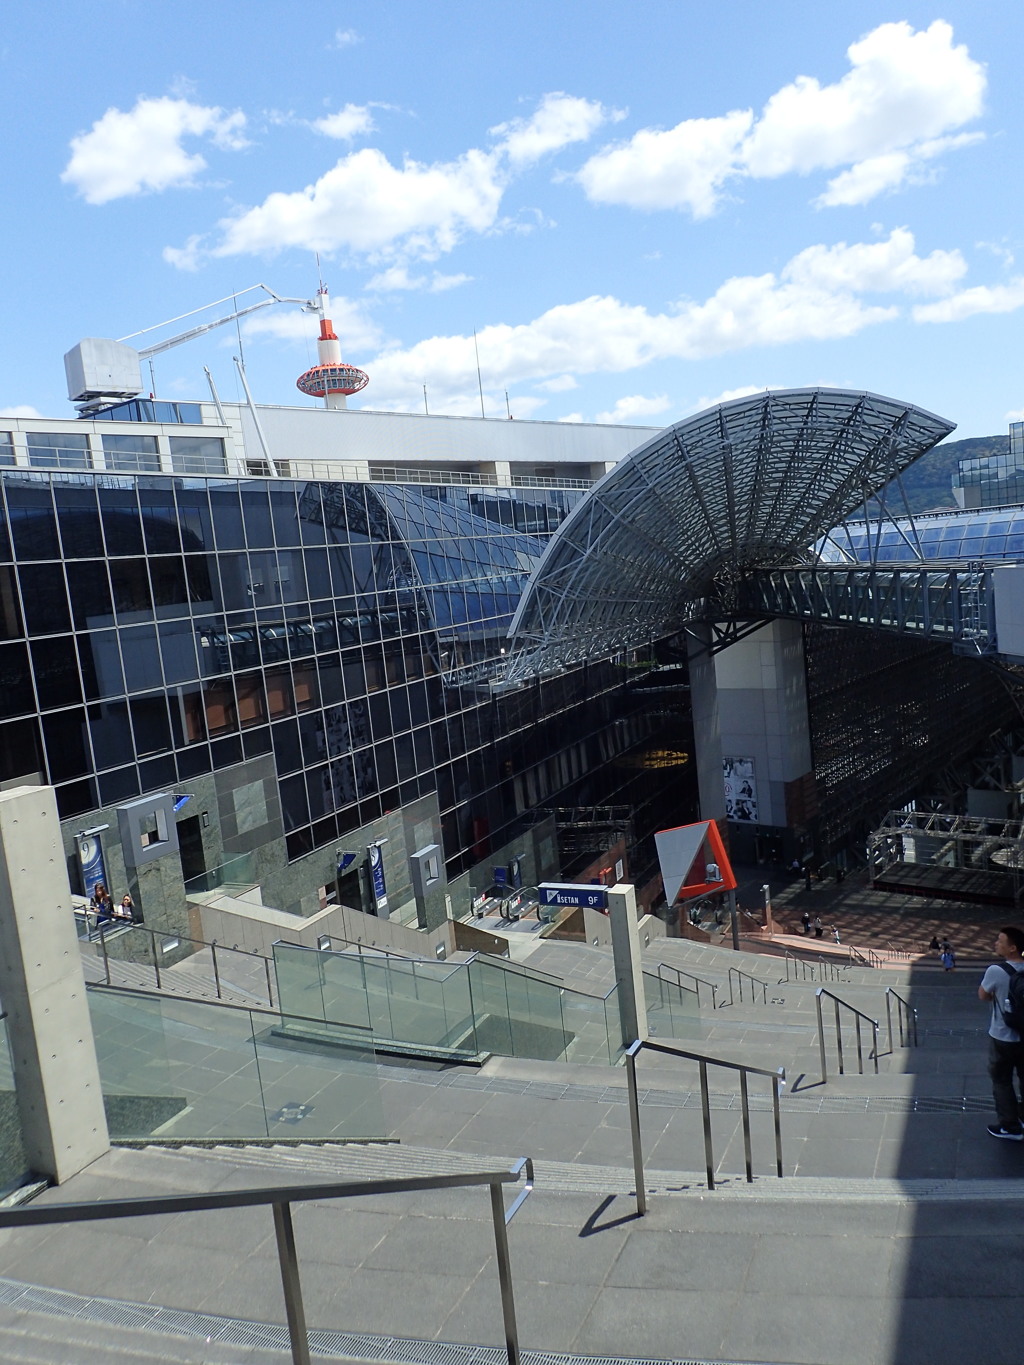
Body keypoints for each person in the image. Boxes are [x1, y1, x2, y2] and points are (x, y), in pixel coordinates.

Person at [977, 926, 1024, 1140]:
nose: (996, 943)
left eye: (1000, 941)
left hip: (1003, 1035)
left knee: (1002, 1080)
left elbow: (983, 995)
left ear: (1012, 948)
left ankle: (1010, 1126)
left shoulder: (996, 970)